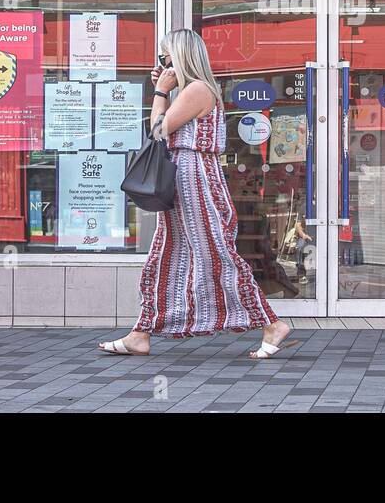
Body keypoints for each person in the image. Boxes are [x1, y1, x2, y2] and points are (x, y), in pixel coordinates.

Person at [99, 29, 295, 360]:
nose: (162, 64)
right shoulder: (191, 91)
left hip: (197, 181)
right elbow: (162, 128)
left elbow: (158, 130)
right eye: (161, 60)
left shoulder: (198, 90)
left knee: (216, 255)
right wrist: (163, 90)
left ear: (182, 57)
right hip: (184, 180)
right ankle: (140, 333)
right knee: (166, 256)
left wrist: (160, 91)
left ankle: (271, 323)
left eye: (166, 57)